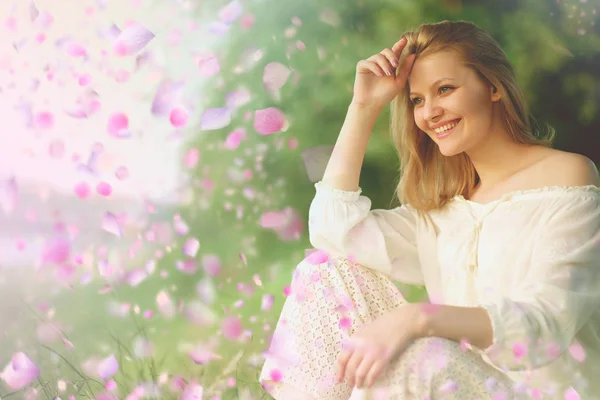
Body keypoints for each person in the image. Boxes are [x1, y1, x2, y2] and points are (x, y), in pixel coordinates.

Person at [258, 20, 600, 400]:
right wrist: (364, 106)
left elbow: (547, 324)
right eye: (418, 100)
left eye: (445, 89)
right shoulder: (444, 208)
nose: (430, 112)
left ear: (494, 87)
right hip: (460, 383)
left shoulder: (567, 174)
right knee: (323, 273)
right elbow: (334, 233)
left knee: (421, 356)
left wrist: (418, 319)